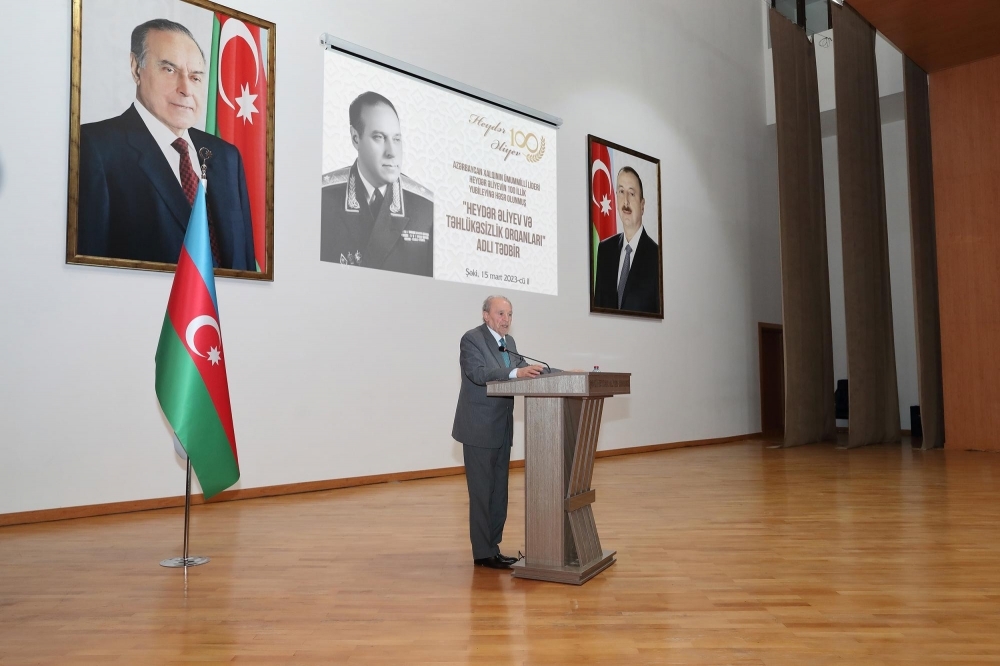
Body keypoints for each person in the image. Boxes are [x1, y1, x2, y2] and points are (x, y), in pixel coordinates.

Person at [77, 19, 256, 270]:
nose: (186, 89)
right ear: (136, 68)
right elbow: (87, 268)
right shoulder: (94, 147)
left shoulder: (227, 157)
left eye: (195, 77)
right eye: (169, 70)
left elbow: (244, 264)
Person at [452, 295, 545, 569]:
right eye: (500, 313)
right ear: (486, 315)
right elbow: (478, 373)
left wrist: (566, 373)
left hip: (502, 427)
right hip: (479, 427)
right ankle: (483, 553)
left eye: (510, 314)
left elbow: (526, 369)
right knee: (482, 492)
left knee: (499, 492)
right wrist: (515, 374)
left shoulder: (509, 343)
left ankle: (493, 547)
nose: (506, 319)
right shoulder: (472, 339)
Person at [320, 92, 434, 276]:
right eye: (379, 137)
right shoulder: (321, 199)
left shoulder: (426, 209)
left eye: (396, 139)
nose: (392, 152)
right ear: (355, 138)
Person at [593, 166, 661, 314]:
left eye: (631, 193)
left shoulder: (657, 257)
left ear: (642, 205)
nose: (626, 201)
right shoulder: (604, 250)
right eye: (621, 192)